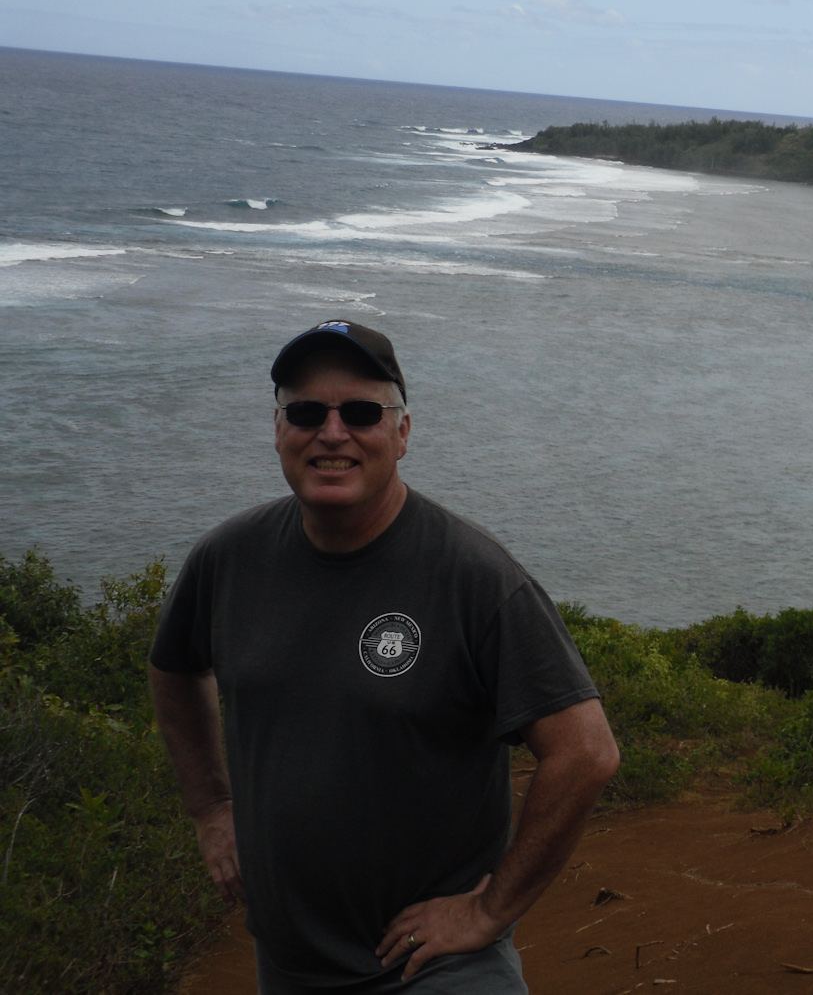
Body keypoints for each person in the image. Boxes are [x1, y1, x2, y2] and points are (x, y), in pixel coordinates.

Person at [149, 319, 619, 993]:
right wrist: (211, 807)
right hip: (288, 964)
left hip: (431, 968)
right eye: (307, 412)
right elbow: (173, 666)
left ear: (401, 432)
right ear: (278, 428)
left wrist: (490, 910)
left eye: (362, 412)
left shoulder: (473, 576)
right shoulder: (229, 558)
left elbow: (587, 751)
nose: (332, 433)